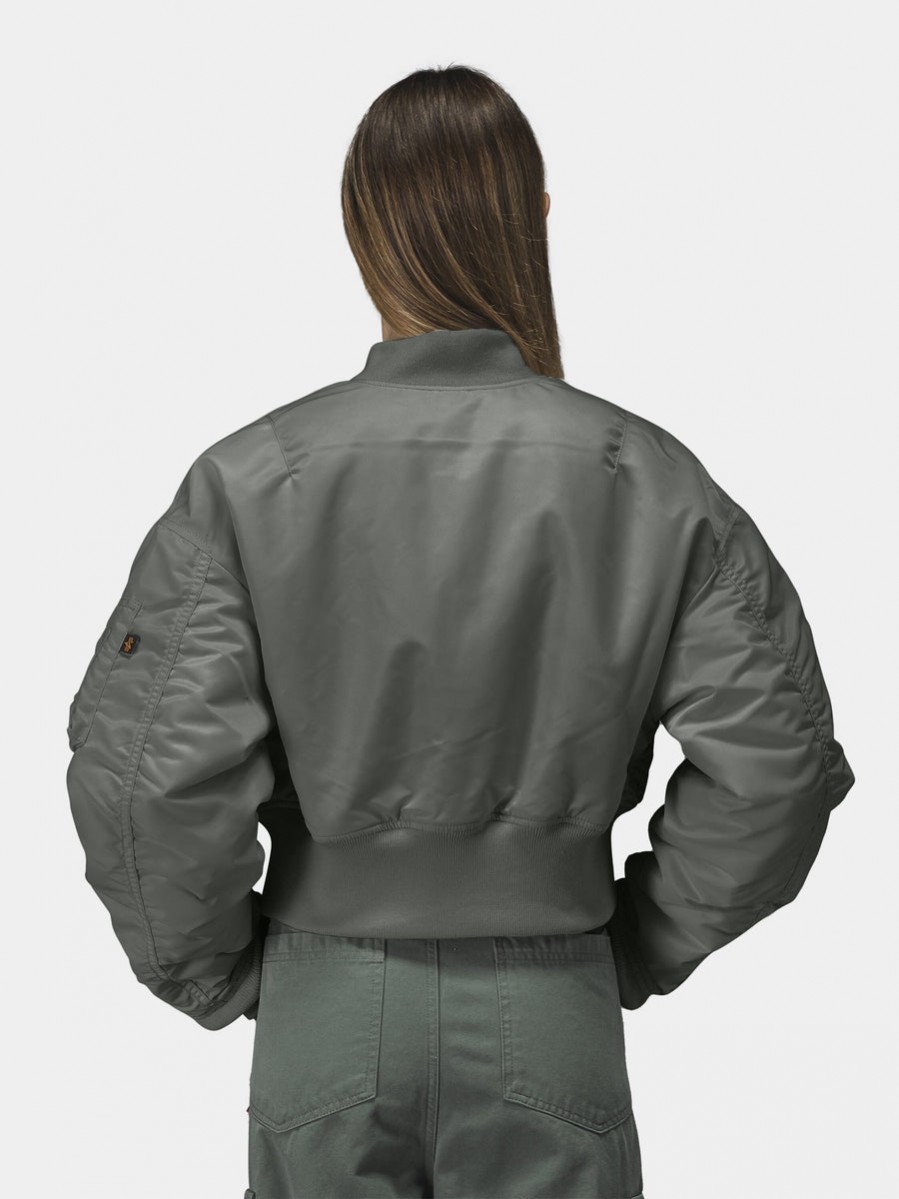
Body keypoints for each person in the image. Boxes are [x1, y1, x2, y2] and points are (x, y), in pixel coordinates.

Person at [65, 64, 855, 1199]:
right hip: (554, 1006)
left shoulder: (249, 480)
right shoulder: (646, 478)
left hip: (326, 1011)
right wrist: (638, 939)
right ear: (536, 217)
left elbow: (145, 778)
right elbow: (777, 763)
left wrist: (215, 970)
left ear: (359, 227)